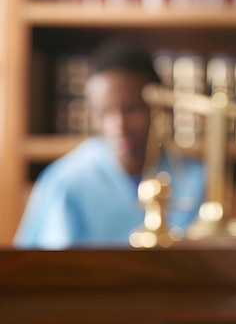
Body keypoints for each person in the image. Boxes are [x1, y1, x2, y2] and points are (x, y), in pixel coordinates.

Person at [13, 38, 206, 249]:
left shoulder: (195, 179)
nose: (119, 125)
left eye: (132, 109)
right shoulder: (66, 181)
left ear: (160, 108)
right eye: (105, 112)